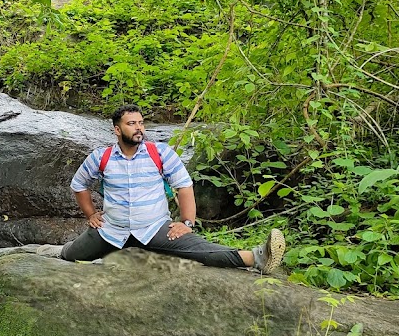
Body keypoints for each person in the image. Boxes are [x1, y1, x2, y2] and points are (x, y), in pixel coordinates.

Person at [37, 105, 285, 273]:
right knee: (72, 255)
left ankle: (258, 257)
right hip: (112, 230)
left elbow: (184, 186)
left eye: (141, 123)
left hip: (154, 228)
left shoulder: (161, 153)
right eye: (131, 123)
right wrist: (91, 215)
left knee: (198, 250)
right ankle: (56, 249)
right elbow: (78, 185)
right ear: (117, 129)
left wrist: (186, 222)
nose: (138, 128)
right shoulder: (100, 158)